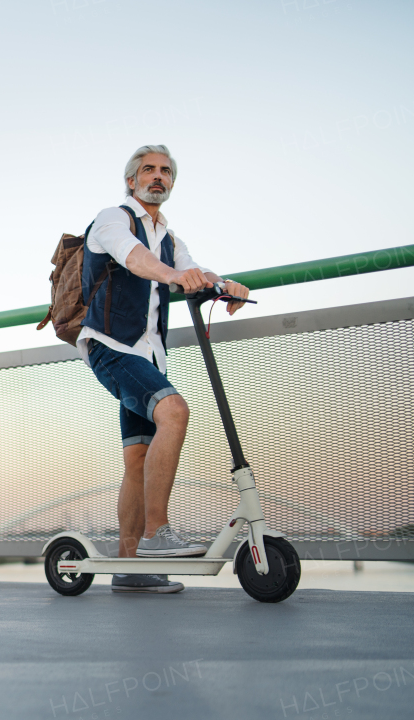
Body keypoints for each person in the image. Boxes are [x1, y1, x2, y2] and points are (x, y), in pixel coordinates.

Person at [79, 145, 250, 594]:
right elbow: (134, 258)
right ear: (131, 179)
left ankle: (130, 569)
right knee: (173, 411)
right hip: (112, 347)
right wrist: (173, 277)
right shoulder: (113, 219)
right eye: (149, 170)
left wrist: (224, 284)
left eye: (166, 172)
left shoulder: (171, 239)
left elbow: (192, 269)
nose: (159, 177)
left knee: (137, 459)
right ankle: (157, 534)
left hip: (149, 356)